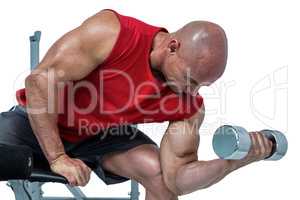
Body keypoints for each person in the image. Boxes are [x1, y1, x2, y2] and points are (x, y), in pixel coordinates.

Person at [1, 9, 272, 199]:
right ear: (173, 46)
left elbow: (176, 180)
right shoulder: (112, 33)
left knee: (159, 176)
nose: (193, 91)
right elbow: (40, 82)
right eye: (190, 80)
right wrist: (58, 157)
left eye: (202, 85)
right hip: (35, 123)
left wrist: (236, 161)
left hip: (101, 136)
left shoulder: (188, 105)